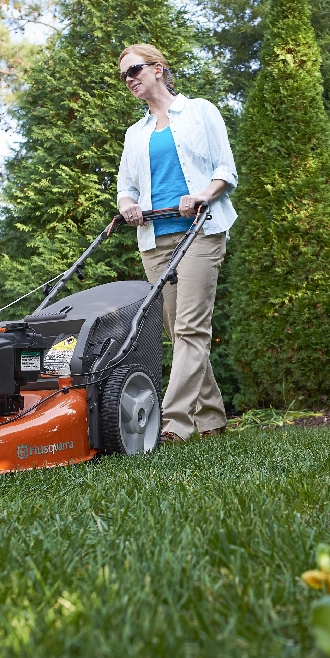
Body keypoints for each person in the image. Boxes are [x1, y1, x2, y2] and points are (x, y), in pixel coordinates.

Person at [115, 44, 237, 443]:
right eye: (123, 76)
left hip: (201, 228)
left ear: (159, 69)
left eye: (134, 70)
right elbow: (125, 190)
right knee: (178, 331)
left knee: (190, 326)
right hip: (155, 237)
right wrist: (130, 206)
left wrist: (203, 194)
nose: (129, 79)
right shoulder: (136, 135)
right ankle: (213, 419)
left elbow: (225, 169)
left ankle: (174, 424)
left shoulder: (200, 111)